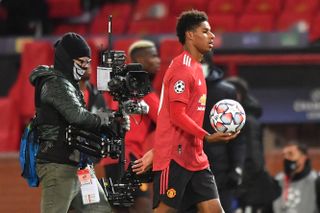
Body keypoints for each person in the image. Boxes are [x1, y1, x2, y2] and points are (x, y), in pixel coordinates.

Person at [133, 10, 239, 212]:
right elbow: (176, 115)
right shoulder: (181, 69)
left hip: (196, 157)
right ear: (190, 35)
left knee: (215, 210)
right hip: (174, 158)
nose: (212, 36)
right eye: (205, 31)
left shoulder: (197, 68)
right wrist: (207, 136)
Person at [29, 32, 113, 213]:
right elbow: (77, 116)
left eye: (87, 62)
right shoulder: (55, 83)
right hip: (58, 165)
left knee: (100, 211)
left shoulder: (68, 82)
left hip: (78, 164)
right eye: (81, 62)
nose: (84, 67)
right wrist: (106, 120)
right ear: (67, 59)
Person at [102, 40, 160, 213]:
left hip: (113, 159)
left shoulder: (121, 89)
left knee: (121, 209)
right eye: (153, 56)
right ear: (139, 60)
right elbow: (165, 120)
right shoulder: (143, 92)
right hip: (129, 158)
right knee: (143, 206)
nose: (158, 60)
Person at [226, 76, 280, 213]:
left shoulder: (248, 122)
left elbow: (255, 161)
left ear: (239, 95)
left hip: (250, 194)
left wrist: (240, 188)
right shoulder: (234, 121)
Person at [202, 56, 246, 213]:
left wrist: (237, 168)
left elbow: (238, 136)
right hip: (187, 169)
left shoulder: (226, 91)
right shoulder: (180, 90)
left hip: (220, 172)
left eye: (202, 62)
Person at [272, 142, 320, 213]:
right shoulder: (277, 180)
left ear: (303, 158)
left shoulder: (316, 180)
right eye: (284, 155)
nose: (286, 158)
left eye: (290, 154)